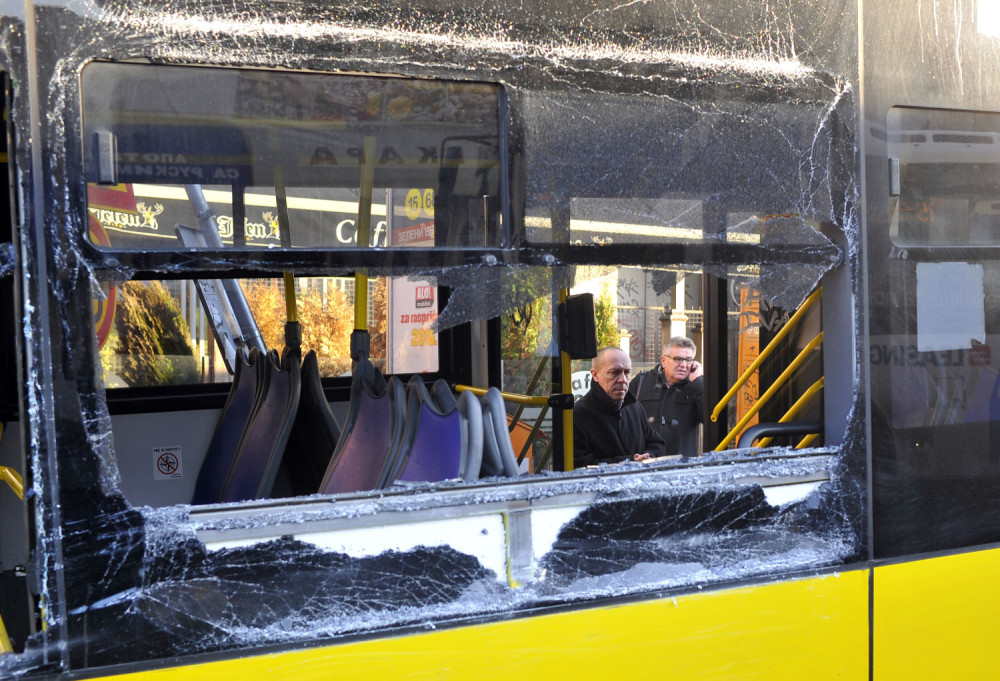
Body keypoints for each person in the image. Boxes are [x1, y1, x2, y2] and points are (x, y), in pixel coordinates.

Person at [573, 347, 665, 466]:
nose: (623, 380)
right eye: (614, 372)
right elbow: (581, 465)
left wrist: (647, 457)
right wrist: (630, 463)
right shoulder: (578, 415)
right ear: (595, 375)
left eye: (627, 372)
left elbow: (656, 443)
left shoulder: (635, 407)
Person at [628, 336, 704, 457]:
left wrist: (698, 382)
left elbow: (712, 419)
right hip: (645, 462)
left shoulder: (697, 386)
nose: (684, 365)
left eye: (689, 360)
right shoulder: (641, 381)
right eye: (678, 359)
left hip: (682, 466)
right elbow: (624, 420)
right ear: (663, 360)